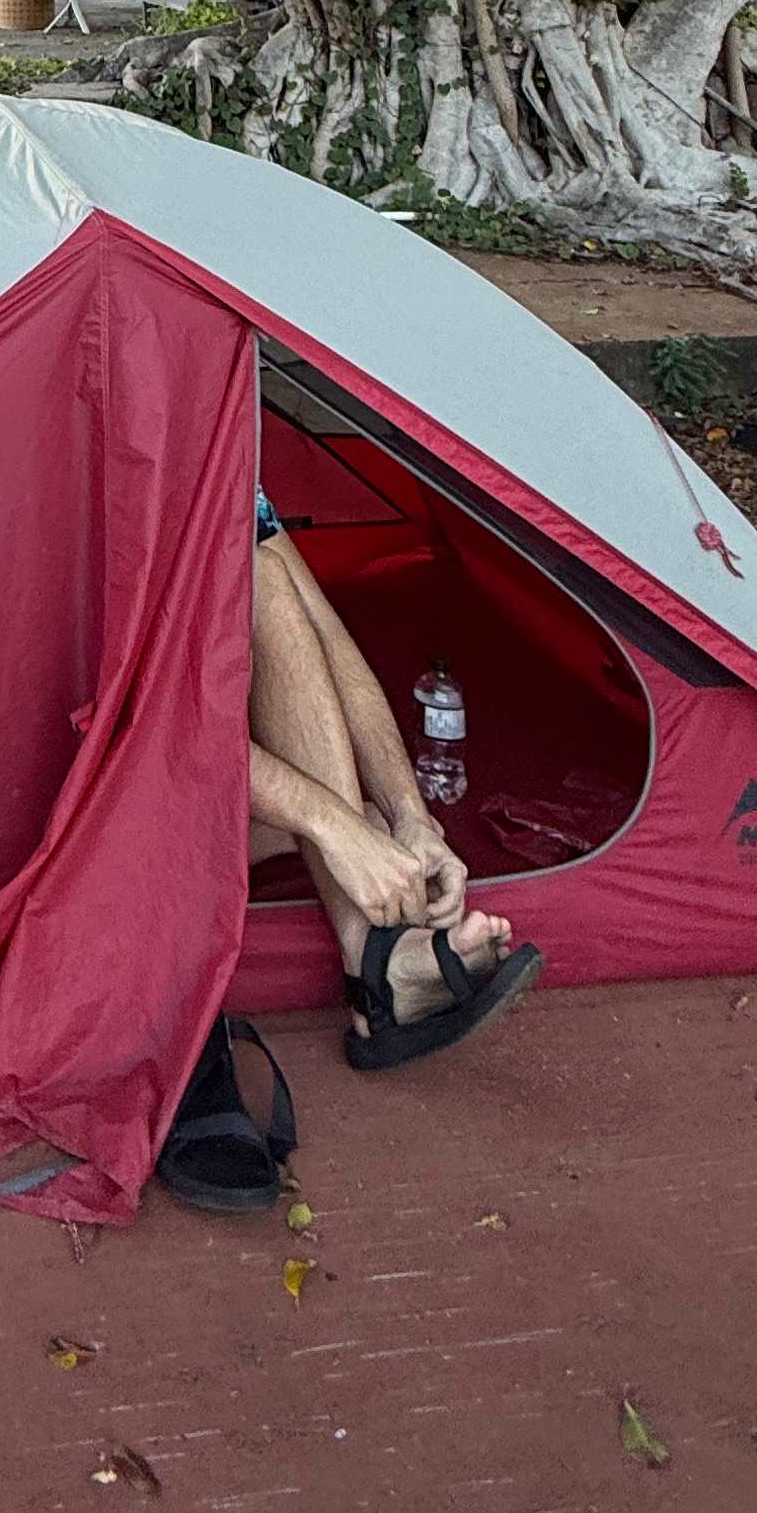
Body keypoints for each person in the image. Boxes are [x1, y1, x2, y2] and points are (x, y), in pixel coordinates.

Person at [157, 491, 544, 1212]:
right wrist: (333, 827)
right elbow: (150, 713)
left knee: (270, 585)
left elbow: (327, 638)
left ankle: (376, 954)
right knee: (335, 812)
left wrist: (407, 817)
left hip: (169, 782)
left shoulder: (222, 435)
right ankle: (378, 958)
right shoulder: (110, 439)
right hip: (68, 782)